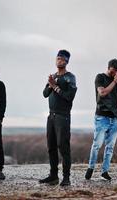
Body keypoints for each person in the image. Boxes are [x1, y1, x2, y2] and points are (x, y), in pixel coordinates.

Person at [39, 50, 77, 186]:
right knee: (51, 147)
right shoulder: (53, 76)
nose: (58, 61)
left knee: (63, 147)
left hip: (63, 116)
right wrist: (50, 83)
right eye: (57, 58)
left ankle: (66, 178)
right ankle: (53, 176)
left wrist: (54, 86)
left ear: (66, 61)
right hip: (51, 116)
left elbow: (69, 97)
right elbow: (44, 94)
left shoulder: (70, 77)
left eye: (61, 59)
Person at [85, 59, 117, 181]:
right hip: (102, 117)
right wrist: (114, 82)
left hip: (114, 119)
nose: (115, 72)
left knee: (110, 147)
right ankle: (90, 168)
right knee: (97, 145)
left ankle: (104, 172)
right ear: (109, 67)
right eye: (114, 70)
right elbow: (102, 93)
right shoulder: (100, 77)